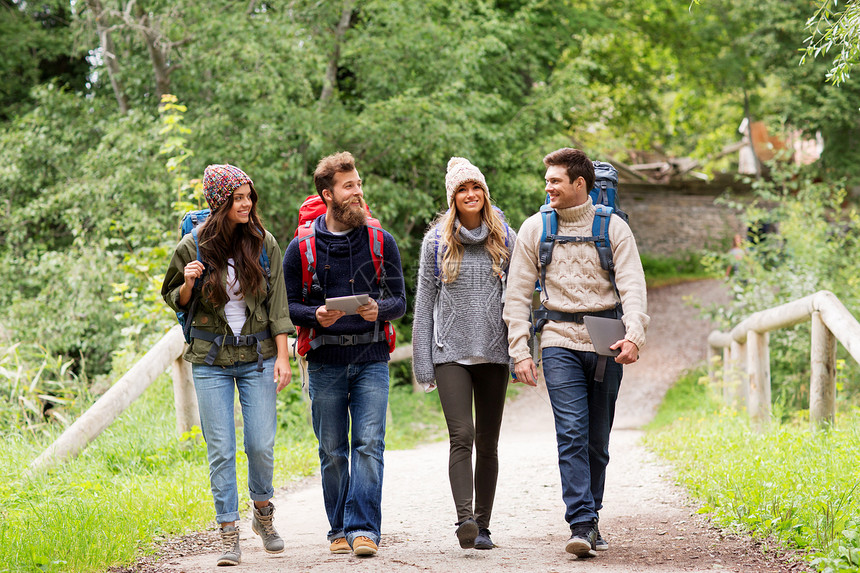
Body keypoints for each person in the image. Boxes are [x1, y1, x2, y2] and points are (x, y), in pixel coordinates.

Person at [502, 148, 649, 557]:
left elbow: (633, 287)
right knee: (571, 432)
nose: (547, 186)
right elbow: (516, 296)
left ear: (579, 184)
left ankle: (594, 515)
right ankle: (581, 523)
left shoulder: (614, 228)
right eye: (547, 179)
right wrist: (521, 351)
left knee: (597, 440)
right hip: (557, 339)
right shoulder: (535, 228)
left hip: (607, 341)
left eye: (555, 180)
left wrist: (634, 335)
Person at [161, 164, 294, 567]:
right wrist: (187, 282)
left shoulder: (264, 242)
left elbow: (278, 306)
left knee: (260, 445)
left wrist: (284, 358)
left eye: (249, 197)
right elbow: (176, 302)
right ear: (220, 202)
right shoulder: (192, 246)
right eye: (238, 198)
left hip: (257, 358)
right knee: (220, 449)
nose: (247, 204)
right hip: (210, 361)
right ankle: (227, 533)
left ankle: (263, 515)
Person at [283, 151, 406, 557]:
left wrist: (380, 309)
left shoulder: (379, 240)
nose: (358, 192)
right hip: (324, 362)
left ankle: (365, 529)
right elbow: (286, 308)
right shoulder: (301, 248)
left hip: (371, 358)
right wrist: (315, 315)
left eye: (358, 185)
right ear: (327, 194)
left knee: (369, 443)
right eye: (349, 186)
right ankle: (338, 529)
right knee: (333, 451)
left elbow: (400, 300)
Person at [412, 157, 516, 551]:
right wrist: (423, 363)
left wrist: (525, 352)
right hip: (450, 352)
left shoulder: (507, 236)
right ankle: (465, 520)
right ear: (453, 197)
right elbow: (424, 305)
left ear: (484, 194)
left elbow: (522, 298)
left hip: (494, 351)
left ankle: (484, 527)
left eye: (475, 188)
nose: (470, 195)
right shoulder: (436, 241)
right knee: (463, 436)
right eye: (462, 189)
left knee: (488, 442)